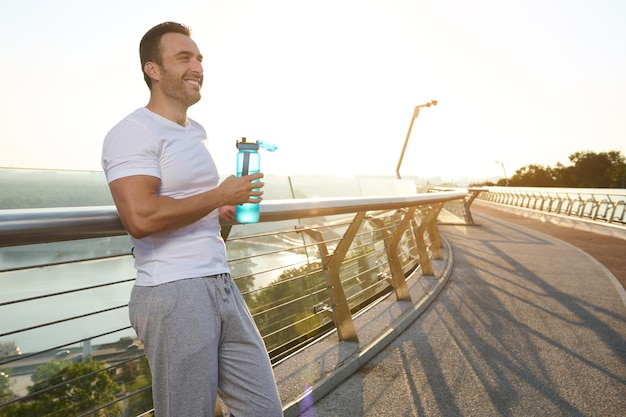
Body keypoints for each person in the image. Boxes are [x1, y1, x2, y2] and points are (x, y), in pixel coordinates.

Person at [101, 22, 283, 417]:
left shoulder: (194, 132)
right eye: (183, 57)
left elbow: (199, 214)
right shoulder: (132, 132)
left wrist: (222, 213)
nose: (197, 66)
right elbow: (140, 217)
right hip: (174, 293)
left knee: (264, 409)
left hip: (220, 284)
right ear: (153, 70)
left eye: (199, 58)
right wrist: (220, 193)